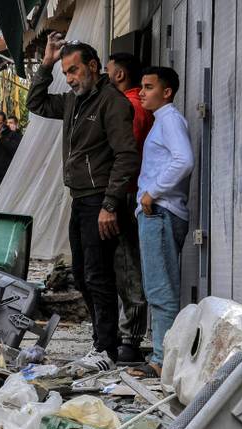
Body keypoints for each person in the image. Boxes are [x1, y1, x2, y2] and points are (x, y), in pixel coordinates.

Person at [27, 33, 139, 372]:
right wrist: (46, 64)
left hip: (101, 202)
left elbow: (127, 156)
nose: (71, 79)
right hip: (81, 198)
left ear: (93, 66)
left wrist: (109, 205)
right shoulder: (75, 101)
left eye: (75, 70)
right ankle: (103, 341)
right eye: (66, 73)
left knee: (98, 275)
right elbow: (36, 103)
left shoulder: (111, 102)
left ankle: (105, 347)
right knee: (82, 273)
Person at [129, 66, 194, 378]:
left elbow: (184, 159)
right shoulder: (163, 121)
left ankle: (160, 360)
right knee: (159, 287)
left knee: (160, 289)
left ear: (166, 92)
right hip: (159, 211)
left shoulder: (168, 119)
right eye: (141, 86)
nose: (142, 92)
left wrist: (151, 193)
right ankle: (161, 356)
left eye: (149, 87)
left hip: (160, 212)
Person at [105, 52, 154, 364]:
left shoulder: (130, 106)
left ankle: (129, 339)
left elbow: (126, 154)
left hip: (128, 193)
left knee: (128, 267)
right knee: (126, 265)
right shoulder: (134, 104)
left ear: (119, 74)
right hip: (131, 192)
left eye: (108, 71)